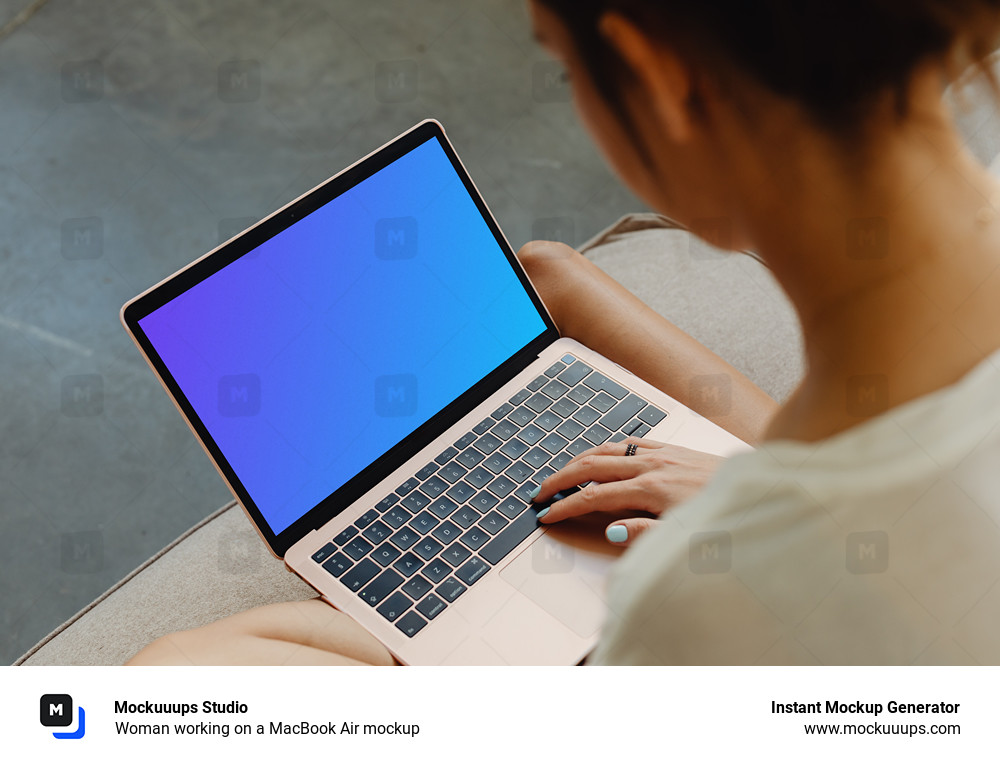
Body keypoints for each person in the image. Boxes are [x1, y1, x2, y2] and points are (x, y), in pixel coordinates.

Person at [130, 0, 1000, 665]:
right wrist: (751, 484)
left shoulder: (702, 610)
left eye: (564, 70)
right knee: (546, 275)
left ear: (657, 76)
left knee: (172, 673)